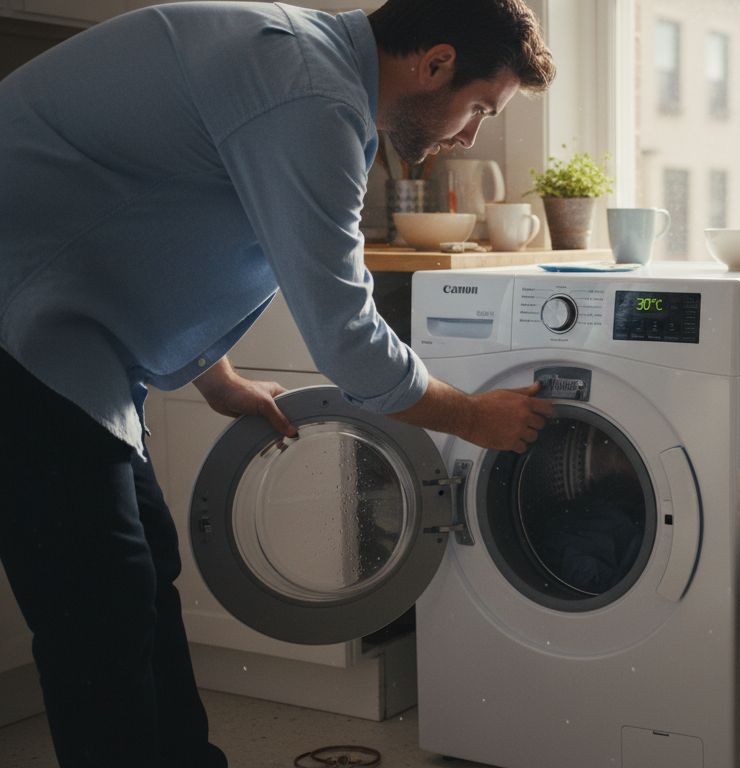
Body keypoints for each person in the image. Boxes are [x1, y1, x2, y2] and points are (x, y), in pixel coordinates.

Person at [0, 1, 556, 765]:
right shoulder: (310, 93)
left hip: (61, 332)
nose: (471, 134)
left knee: (135, 573)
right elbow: (346, 337)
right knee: (97, 605)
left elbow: (159, 223)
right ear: (435, 63)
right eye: (480, 109)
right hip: (19, 330)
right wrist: (469, 417)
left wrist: (216, 377)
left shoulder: (310, 68)